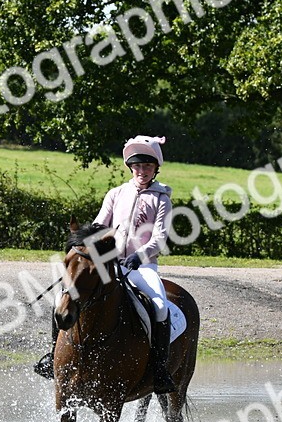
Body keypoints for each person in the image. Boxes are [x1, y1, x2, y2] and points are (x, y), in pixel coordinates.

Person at [34, 134, 177, 394]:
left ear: (156, 168)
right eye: (137, 166)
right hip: (107, 264)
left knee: (159, 306)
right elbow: (99, 226)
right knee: (61, 299)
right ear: (130, 168)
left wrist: (140, 255)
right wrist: (91, 245)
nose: (142, 171)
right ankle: (52, 355)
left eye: (147, 166)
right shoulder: (116, 193)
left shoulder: (161, 200)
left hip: (143, 267)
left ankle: (158, 368)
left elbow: (159, 238)